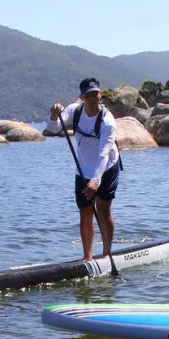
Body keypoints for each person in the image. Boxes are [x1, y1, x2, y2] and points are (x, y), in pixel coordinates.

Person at [48, 78, 121, 262]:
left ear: (100, 94)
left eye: (95, 94)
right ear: (81, 97)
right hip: (82, 170)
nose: (92, 98)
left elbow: (104, 153)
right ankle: (87, 258)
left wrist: (96, 181)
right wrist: (55, 115)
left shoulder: (107, 121)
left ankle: (106, 254)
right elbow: (54, 128)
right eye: (88, 95)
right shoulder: (74, 111)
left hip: (107, 167)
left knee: (103, 210)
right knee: (86, 212)